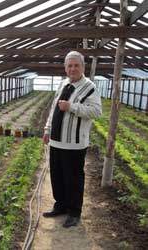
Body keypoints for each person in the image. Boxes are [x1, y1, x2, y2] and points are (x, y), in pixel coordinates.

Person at [42, 51, 102, 228]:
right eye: (70, 65)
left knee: (73, 178)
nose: (73, 68)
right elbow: (53, 109)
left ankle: (74, 212)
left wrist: (72, 107)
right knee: (57, 176)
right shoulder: (63, 84)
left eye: (76, 65)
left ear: (83, 67)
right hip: (56, 140)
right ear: (65, 68)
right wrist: (47, 129)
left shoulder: (89, 87)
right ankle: (60, 205)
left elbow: (96, 111)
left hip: (75, 144)